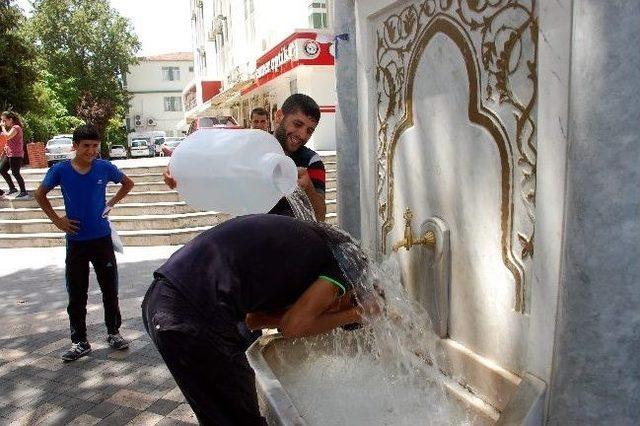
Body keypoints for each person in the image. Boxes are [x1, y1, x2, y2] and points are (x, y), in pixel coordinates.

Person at [142, 214, 379, 425]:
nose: (331, 306)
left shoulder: (309, 249)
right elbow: (294, 327)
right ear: (353, 293)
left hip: (162, 301)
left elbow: (253, 321)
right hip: (194, 317)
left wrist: (319, 314)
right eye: (340, 303)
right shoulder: (350, 264)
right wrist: (358, 313)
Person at [34, 124, 135, 362]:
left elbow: (128, 183)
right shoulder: (60, 170)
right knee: (77, 293)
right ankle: (79, 341)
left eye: (95, 146)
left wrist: (110, 204)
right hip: (77, 241)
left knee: (110, 289)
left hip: (101, 239)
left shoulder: (104, 167)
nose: (91, 151)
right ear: (75, 147)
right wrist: (57, 220)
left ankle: (113, 333)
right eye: (86, 146)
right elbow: (40, 194)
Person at [163, 94, 327, 221]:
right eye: (297, 124)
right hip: (248, 237)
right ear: (278, 117)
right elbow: (210, 159)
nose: (301, 134)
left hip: (292, 244)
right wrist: (179, 168)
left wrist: (309, 189)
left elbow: (320, 217)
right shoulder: (250, 144)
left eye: (309, 131)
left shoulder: (311, 162)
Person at [0, 111, 28, 198]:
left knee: (15, 172)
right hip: (9, 154)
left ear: (10, 119)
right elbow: (9, 140)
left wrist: (2, 127)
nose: (3, 122)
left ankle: (23, 191)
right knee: (2, 169)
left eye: (4, 120)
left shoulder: (16, 127)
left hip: (16, 154)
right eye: (2, 121)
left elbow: (8, 136)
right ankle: (12, 188)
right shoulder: (12, 128)